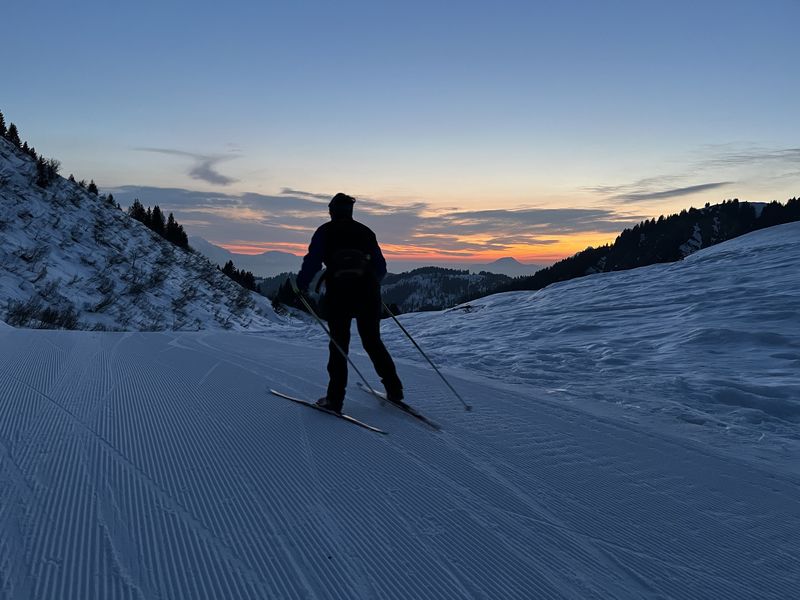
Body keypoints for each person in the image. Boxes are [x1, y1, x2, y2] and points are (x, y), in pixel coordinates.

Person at [296, 192, 403, 413]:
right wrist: (372, 284)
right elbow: (381, 267)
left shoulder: (325, 231)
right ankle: (394, 390)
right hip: (368, 293)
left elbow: (313, 261)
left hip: (338, 295)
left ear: (331, 211)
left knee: (338, 346)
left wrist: (302, 284)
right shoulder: (365, 231)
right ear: (351, 211)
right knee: (373, 342)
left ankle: (335, 400)